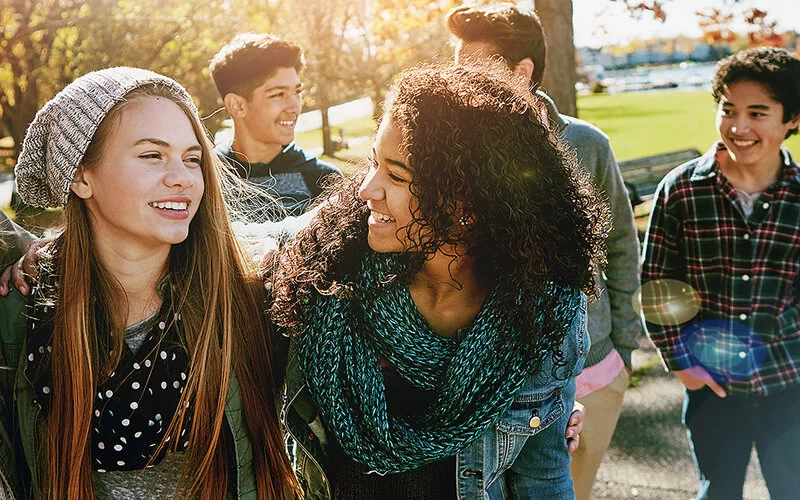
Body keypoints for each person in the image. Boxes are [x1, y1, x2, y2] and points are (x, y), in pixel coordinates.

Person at [269, 63, 609, 500]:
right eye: (374, 162)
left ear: (466, 205)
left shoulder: (543, 310)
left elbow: (542, 477)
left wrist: (553, 412)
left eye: (396, 175)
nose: (366, 188)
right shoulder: (323, 272)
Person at [0, 67, 297, 499]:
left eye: (192, 158)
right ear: (82, 177)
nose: (182, 177)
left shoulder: (246, 297)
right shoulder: (22, 309)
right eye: (152, 155)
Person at [444, 4, 643, 498]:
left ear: (522, 72)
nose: (458, 79)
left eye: (473, 65)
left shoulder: (586, 145)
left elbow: (619, 244)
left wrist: (625, 350)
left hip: (593, 367)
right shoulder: (449, 154)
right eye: (456, 64)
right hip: (485, 382)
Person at [641, 47, 800, 499]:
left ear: (792, 119)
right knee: (718, 492)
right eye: (728, 110)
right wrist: (682, 363)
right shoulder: (682, 189)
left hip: (788, 384)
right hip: (710, 384)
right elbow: (656, 286)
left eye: (757, 113)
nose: (739, 126)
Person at [209, 33, 342, 220]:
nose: (295, 107)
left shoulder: (324, 180)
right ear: (237, 105)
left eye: (297, 92)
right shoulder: (205, 178)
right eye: (278, 94)